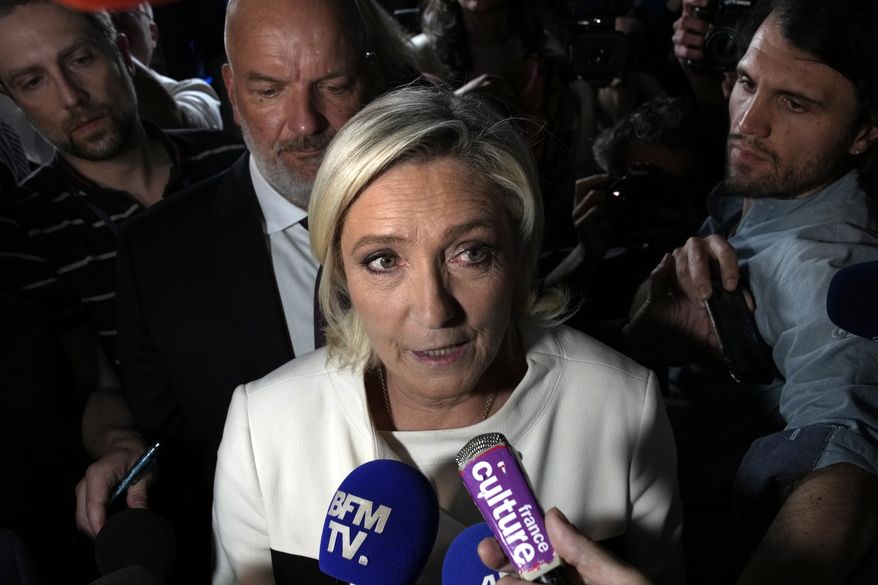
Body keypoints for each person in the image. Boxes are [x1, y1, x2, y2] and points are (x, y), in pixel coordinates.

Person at [212, 85, 682, 585]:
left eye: (471, 253)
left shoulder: (622, 405)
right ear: (342, 275)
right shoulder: (264, 427)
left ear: (519, 256)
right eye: (383, 261)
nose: (434, 311)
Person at [78, 0, 420, 580]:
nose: (306, 121)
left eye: (333, 84)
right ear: (231, 91)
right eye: (269, 90)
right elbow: (175, 455)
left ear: (369, 78)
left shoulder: (452, 211)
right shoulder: (156, 256)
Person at [621, 1, 878, 583]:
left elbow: (850, 458)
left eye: (794, 103)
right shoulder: (765, 191)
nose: (748, 121)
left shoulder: (827, 265)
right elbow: (648, 333)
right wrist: (657, 326)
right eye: (746, 82)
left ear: (864, 133)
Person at [109, 2, 224, 130]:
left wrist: (113, 53)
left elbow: (188, 131)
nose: (113, 17)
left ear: (153, 34)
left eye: (125, 7)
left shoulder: (192, 90)